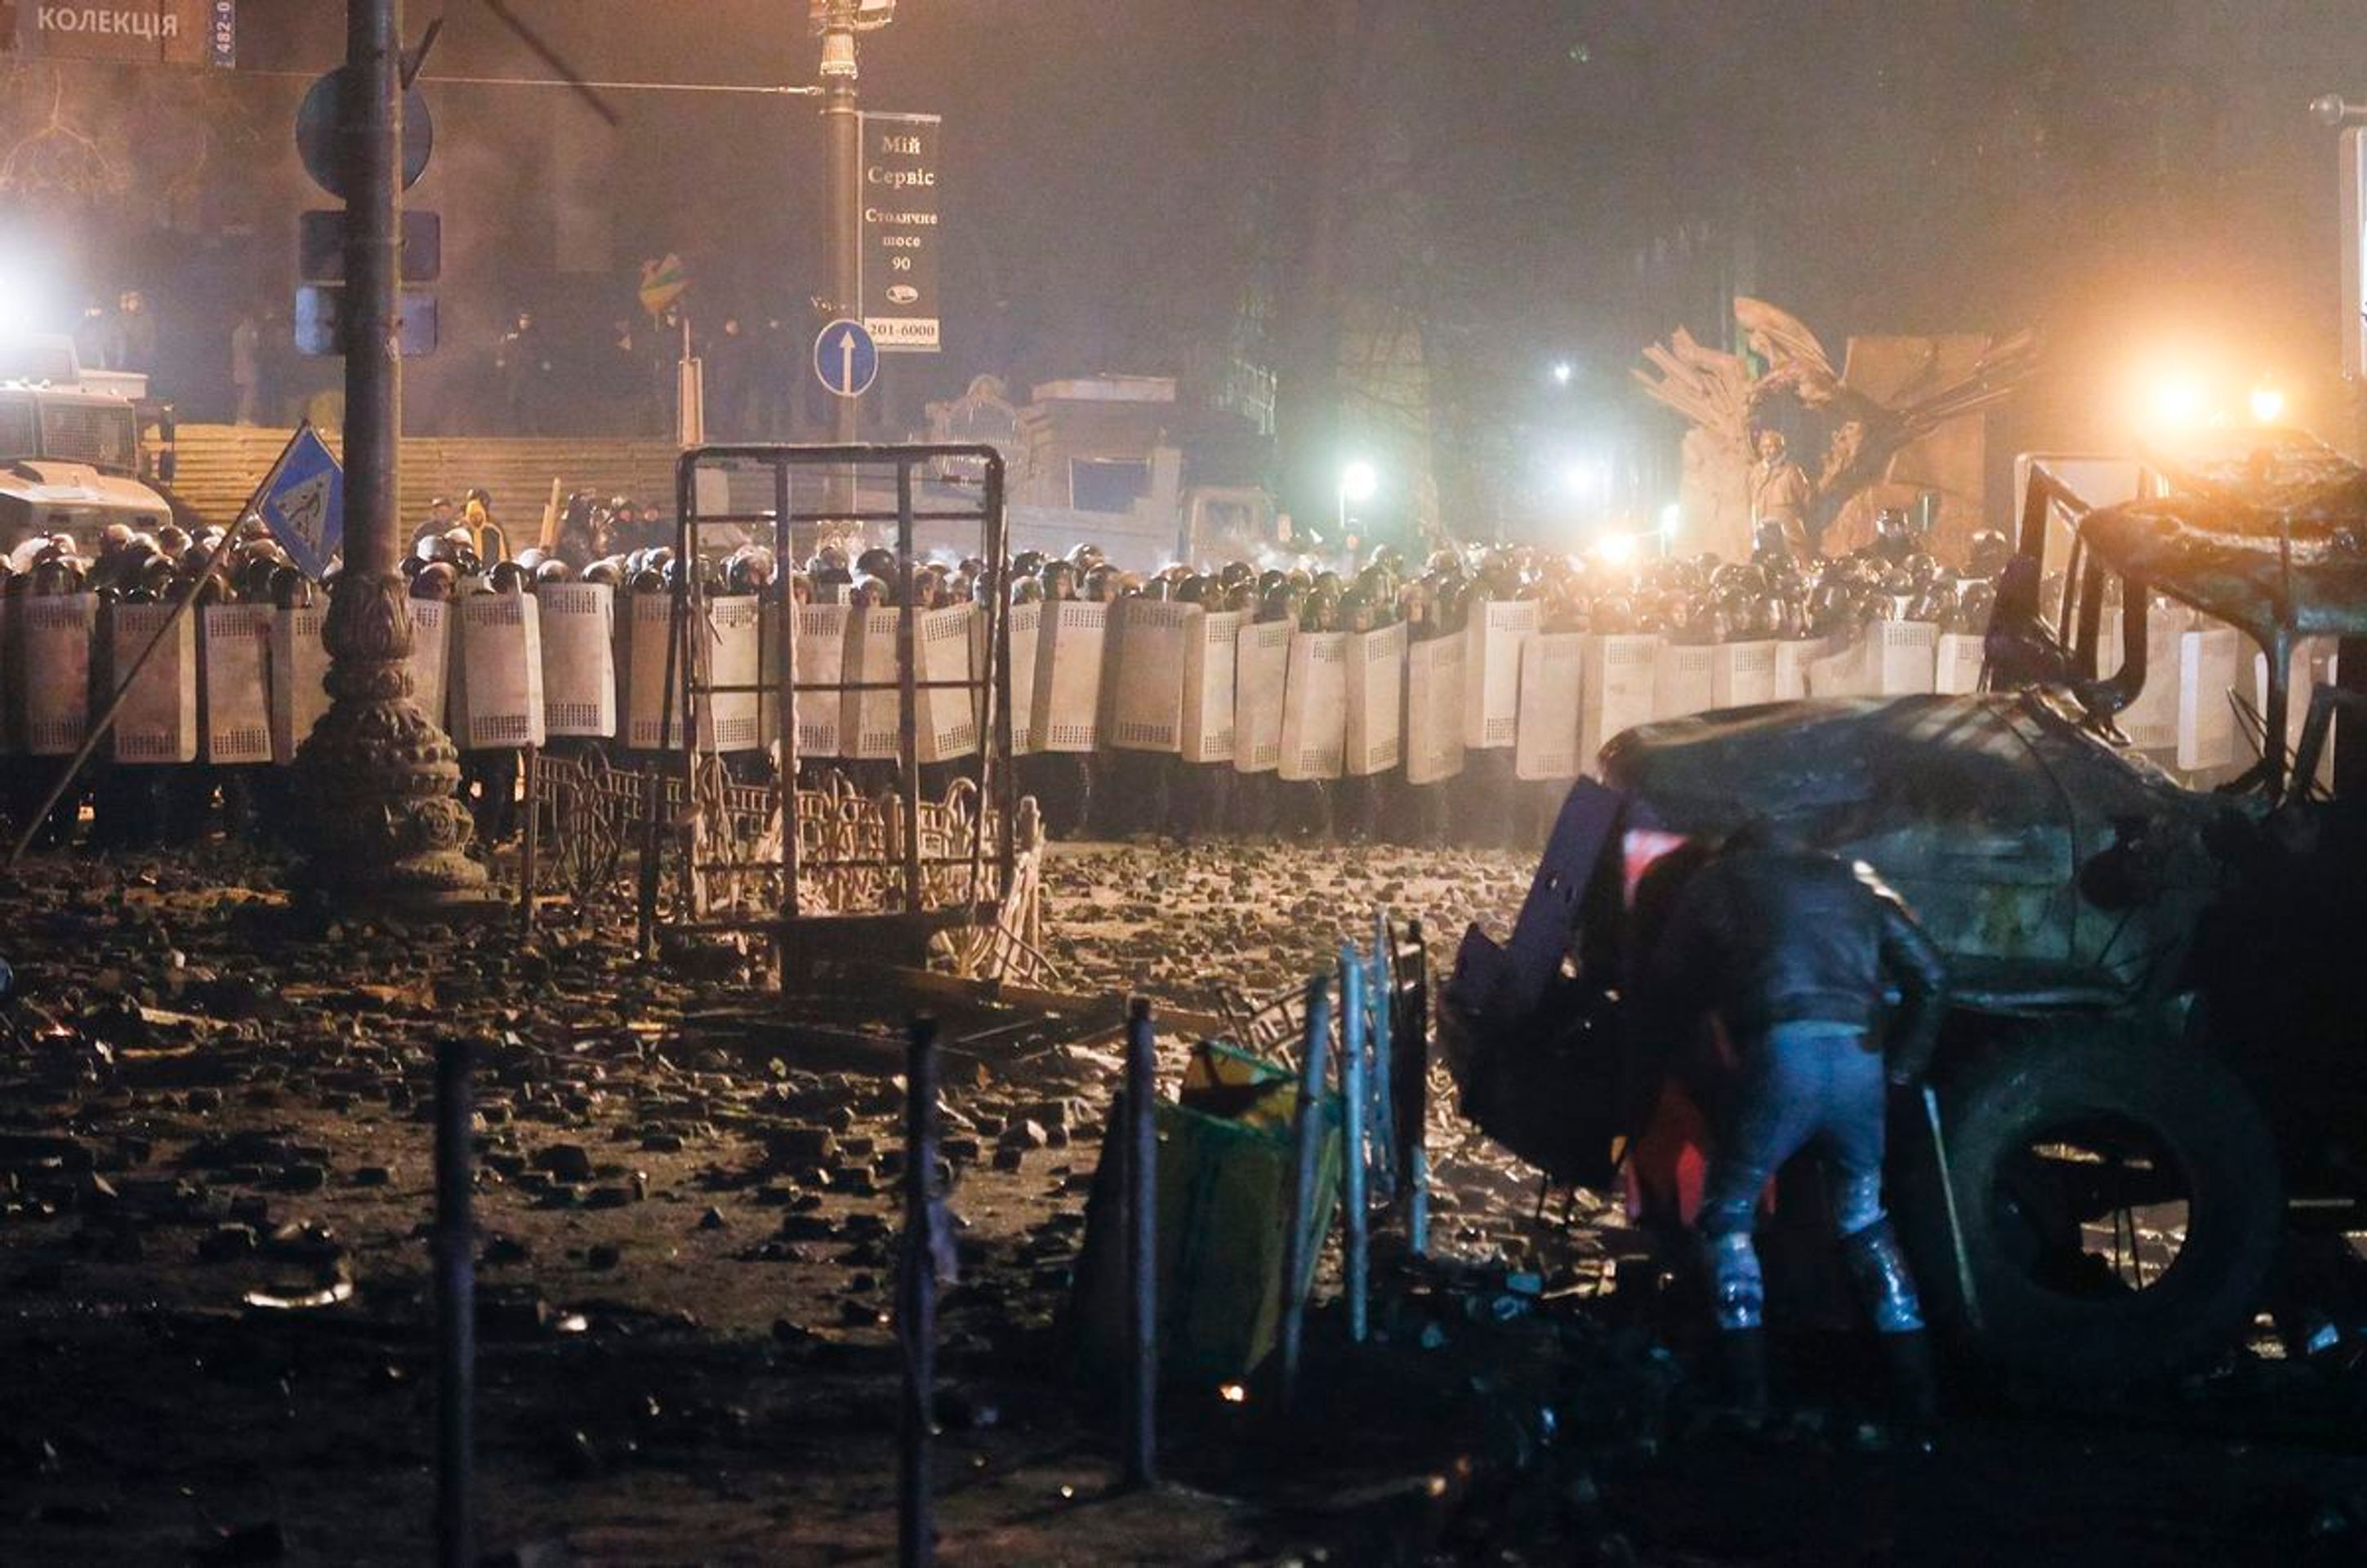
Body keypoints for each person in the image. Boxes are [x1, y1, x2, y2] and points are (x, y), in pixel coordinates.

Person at [1640, 817, 1949, 1439]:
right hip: (1861, 1066)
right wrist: (1900, 1071)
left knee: (1728, 1219)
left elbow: (1665, 981)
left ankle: (1749, 1392)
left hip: (1780, 1057)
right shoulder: (1853, 880)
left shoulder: (1718, 880)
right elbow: (1934, 978)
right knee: (1863, 1219)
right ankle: (1919, 1398)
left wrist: (1689, 1066)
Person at [1747, 429, 1814, 562]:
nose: (1767, 451)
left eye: (1771, 447)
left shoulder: (1791, 471)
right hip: (1763, 527)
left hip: (1789, 528)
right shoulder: (1756, 472)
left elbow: (1806, 499)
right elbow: (1752, 499)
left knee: (1798, 556)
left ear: (1780, 448)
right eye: (1764, 447)